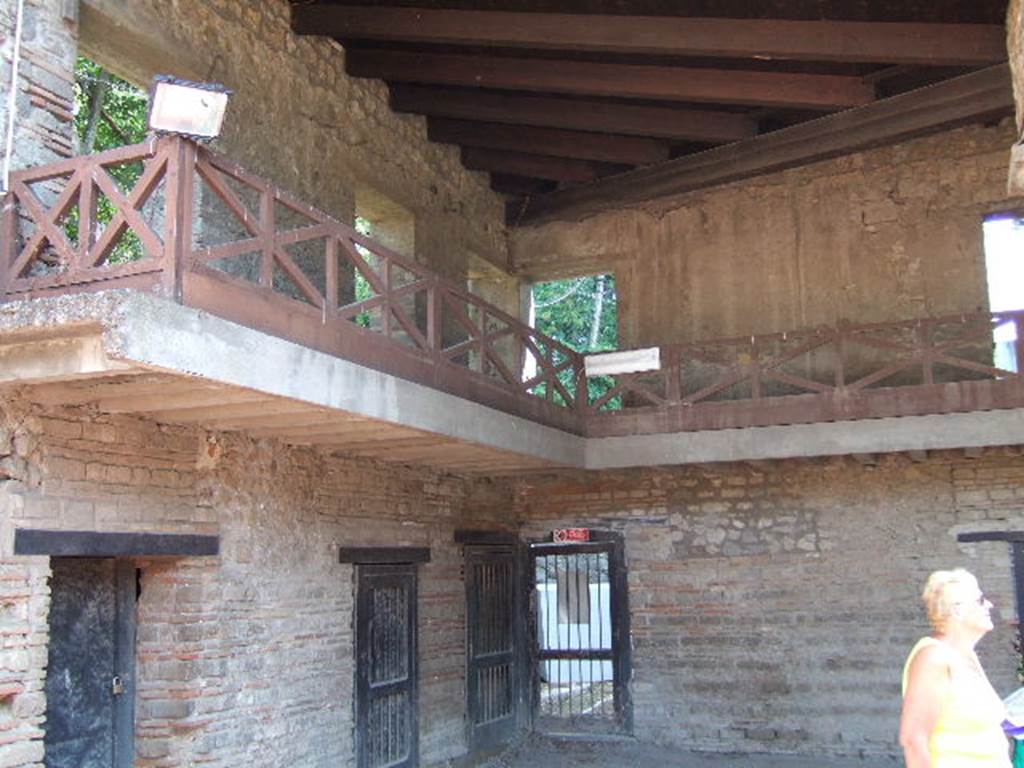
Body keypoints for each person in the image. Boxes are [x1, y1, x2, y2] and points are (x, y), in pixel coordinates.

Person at [900, 568, 1012, 768]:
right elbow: (914, 739)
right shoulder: (933, 658)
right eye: (980, 600)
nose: (989, 604)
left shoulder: (965, 654)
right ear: (957, 610)